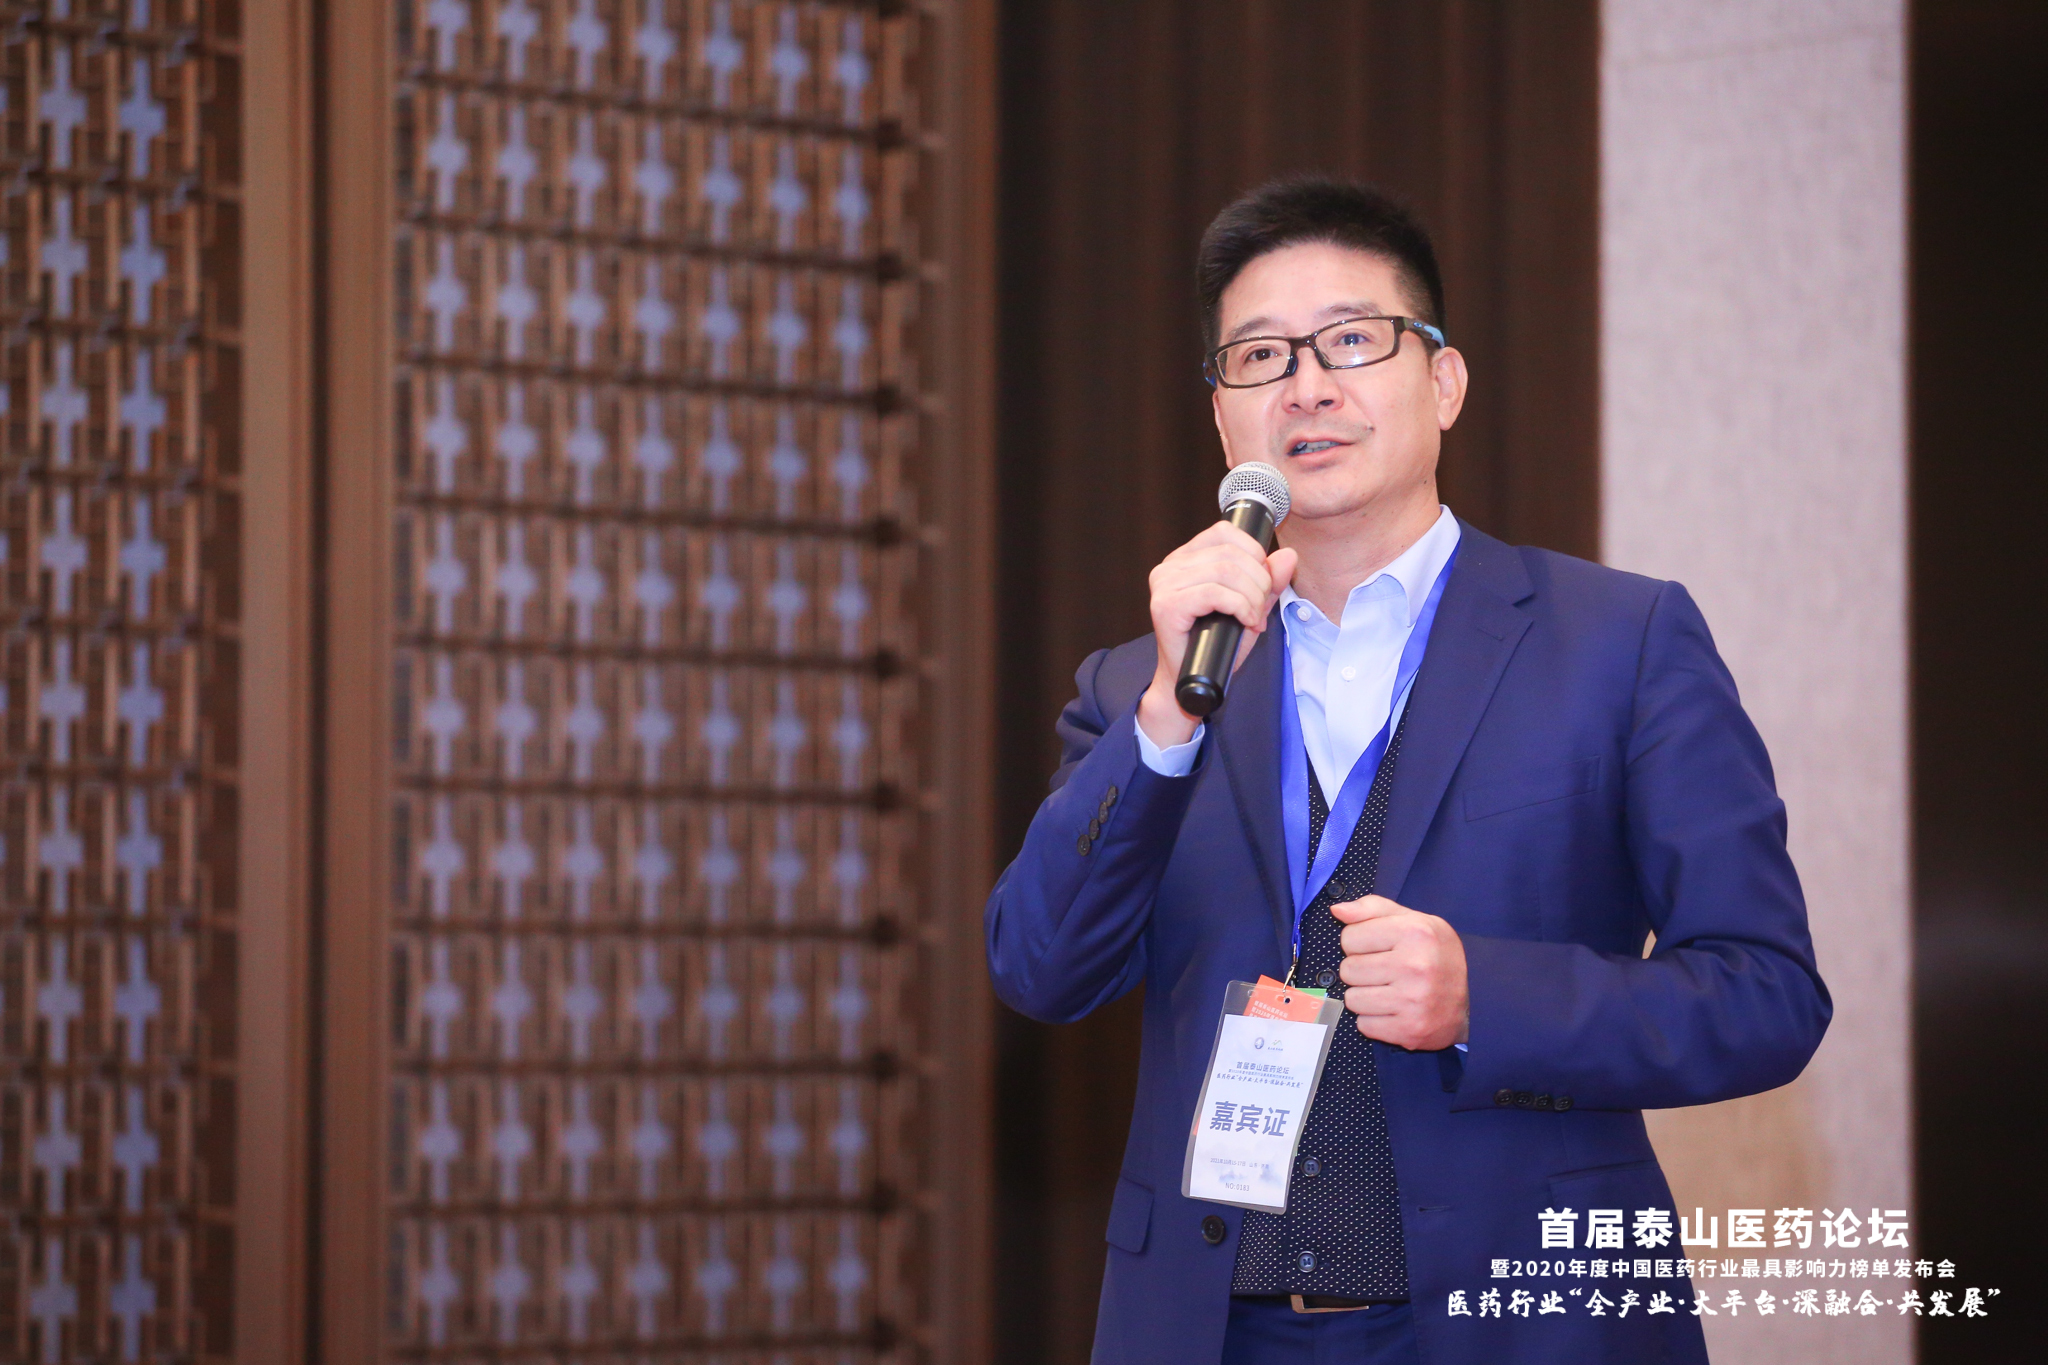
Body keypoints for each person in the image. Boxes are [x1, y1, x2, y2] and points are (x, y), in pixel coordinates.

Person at [983, 176, 1831, 1365]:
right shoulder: (1149, 678)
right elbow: (1038, 966)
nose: (1305, 386)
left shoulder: (1618, 643)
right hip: (1211, 1332)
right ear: (1223, 421)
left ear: (1442, 383)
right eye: (1259, 357)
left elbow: (1764, 994)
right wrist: (1164, 721)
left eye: (1349, 339)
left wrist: (1490, 997)